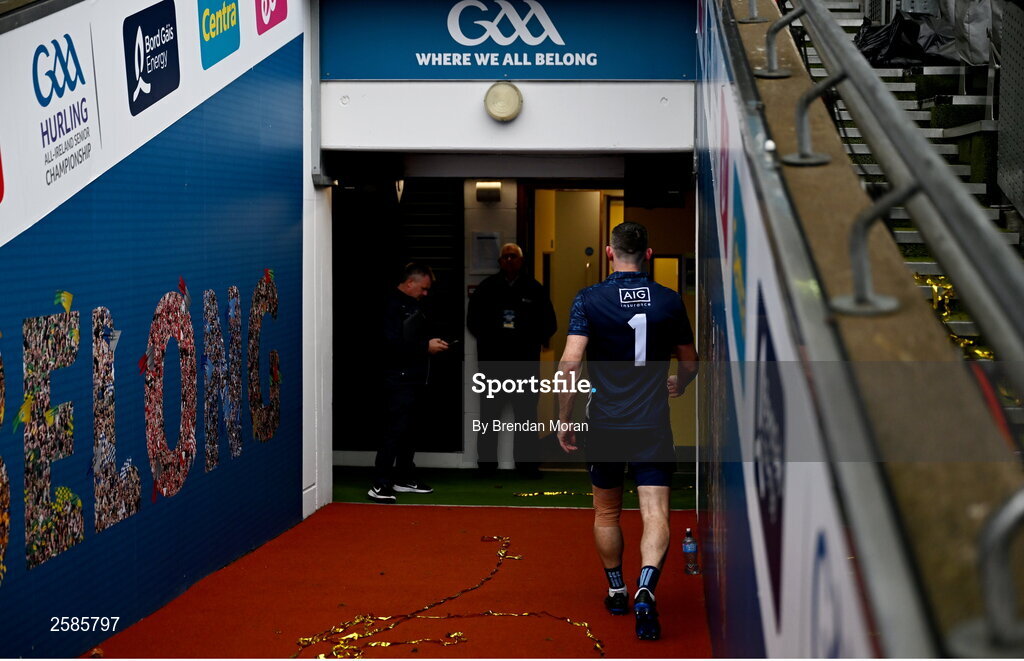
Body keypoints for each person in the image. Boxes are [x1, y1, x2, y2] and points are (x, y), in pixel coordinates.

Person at [555, 222, 698, 641]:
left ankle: (616, 588)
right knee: (656, 514)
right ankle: (645, 588)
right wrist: (681, 383)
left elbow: (569, 363)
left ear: (608, 252)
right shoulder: (669, 301)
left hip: (605, 425)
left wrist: (564, 418)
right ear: (649, 255)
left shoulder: (589, 298)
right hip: (651, 426)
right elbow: (689, 363)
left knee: (607, 512)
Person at [467, 242, 557, 478]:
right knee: (489, 416)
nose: (509, 261)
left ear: (521, 261)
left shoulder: (534, 289)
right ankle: (486, 466)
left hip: (524, 365)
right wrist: (493, 341)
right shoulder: (487, 288)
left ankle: (527, 466)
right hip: (492, 365)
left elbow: (550, 324)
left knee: (526, 416)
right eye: (505, 257)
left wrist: (526, 341)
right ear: (499, 261)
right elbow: (473, 322)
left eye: (513, 257)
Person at [370, 262, 450, 503]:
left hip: (415, 377)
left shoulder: (415, 305)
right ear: (410, 282)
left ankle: (404, 477)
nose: (426, 293)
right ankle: (380, 483)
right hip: (397, 378)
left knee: (410, 431)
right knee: (394, 430)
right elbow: (389, 345)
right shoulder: (390, 305)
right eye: (423, 288)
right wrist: (425, 346)